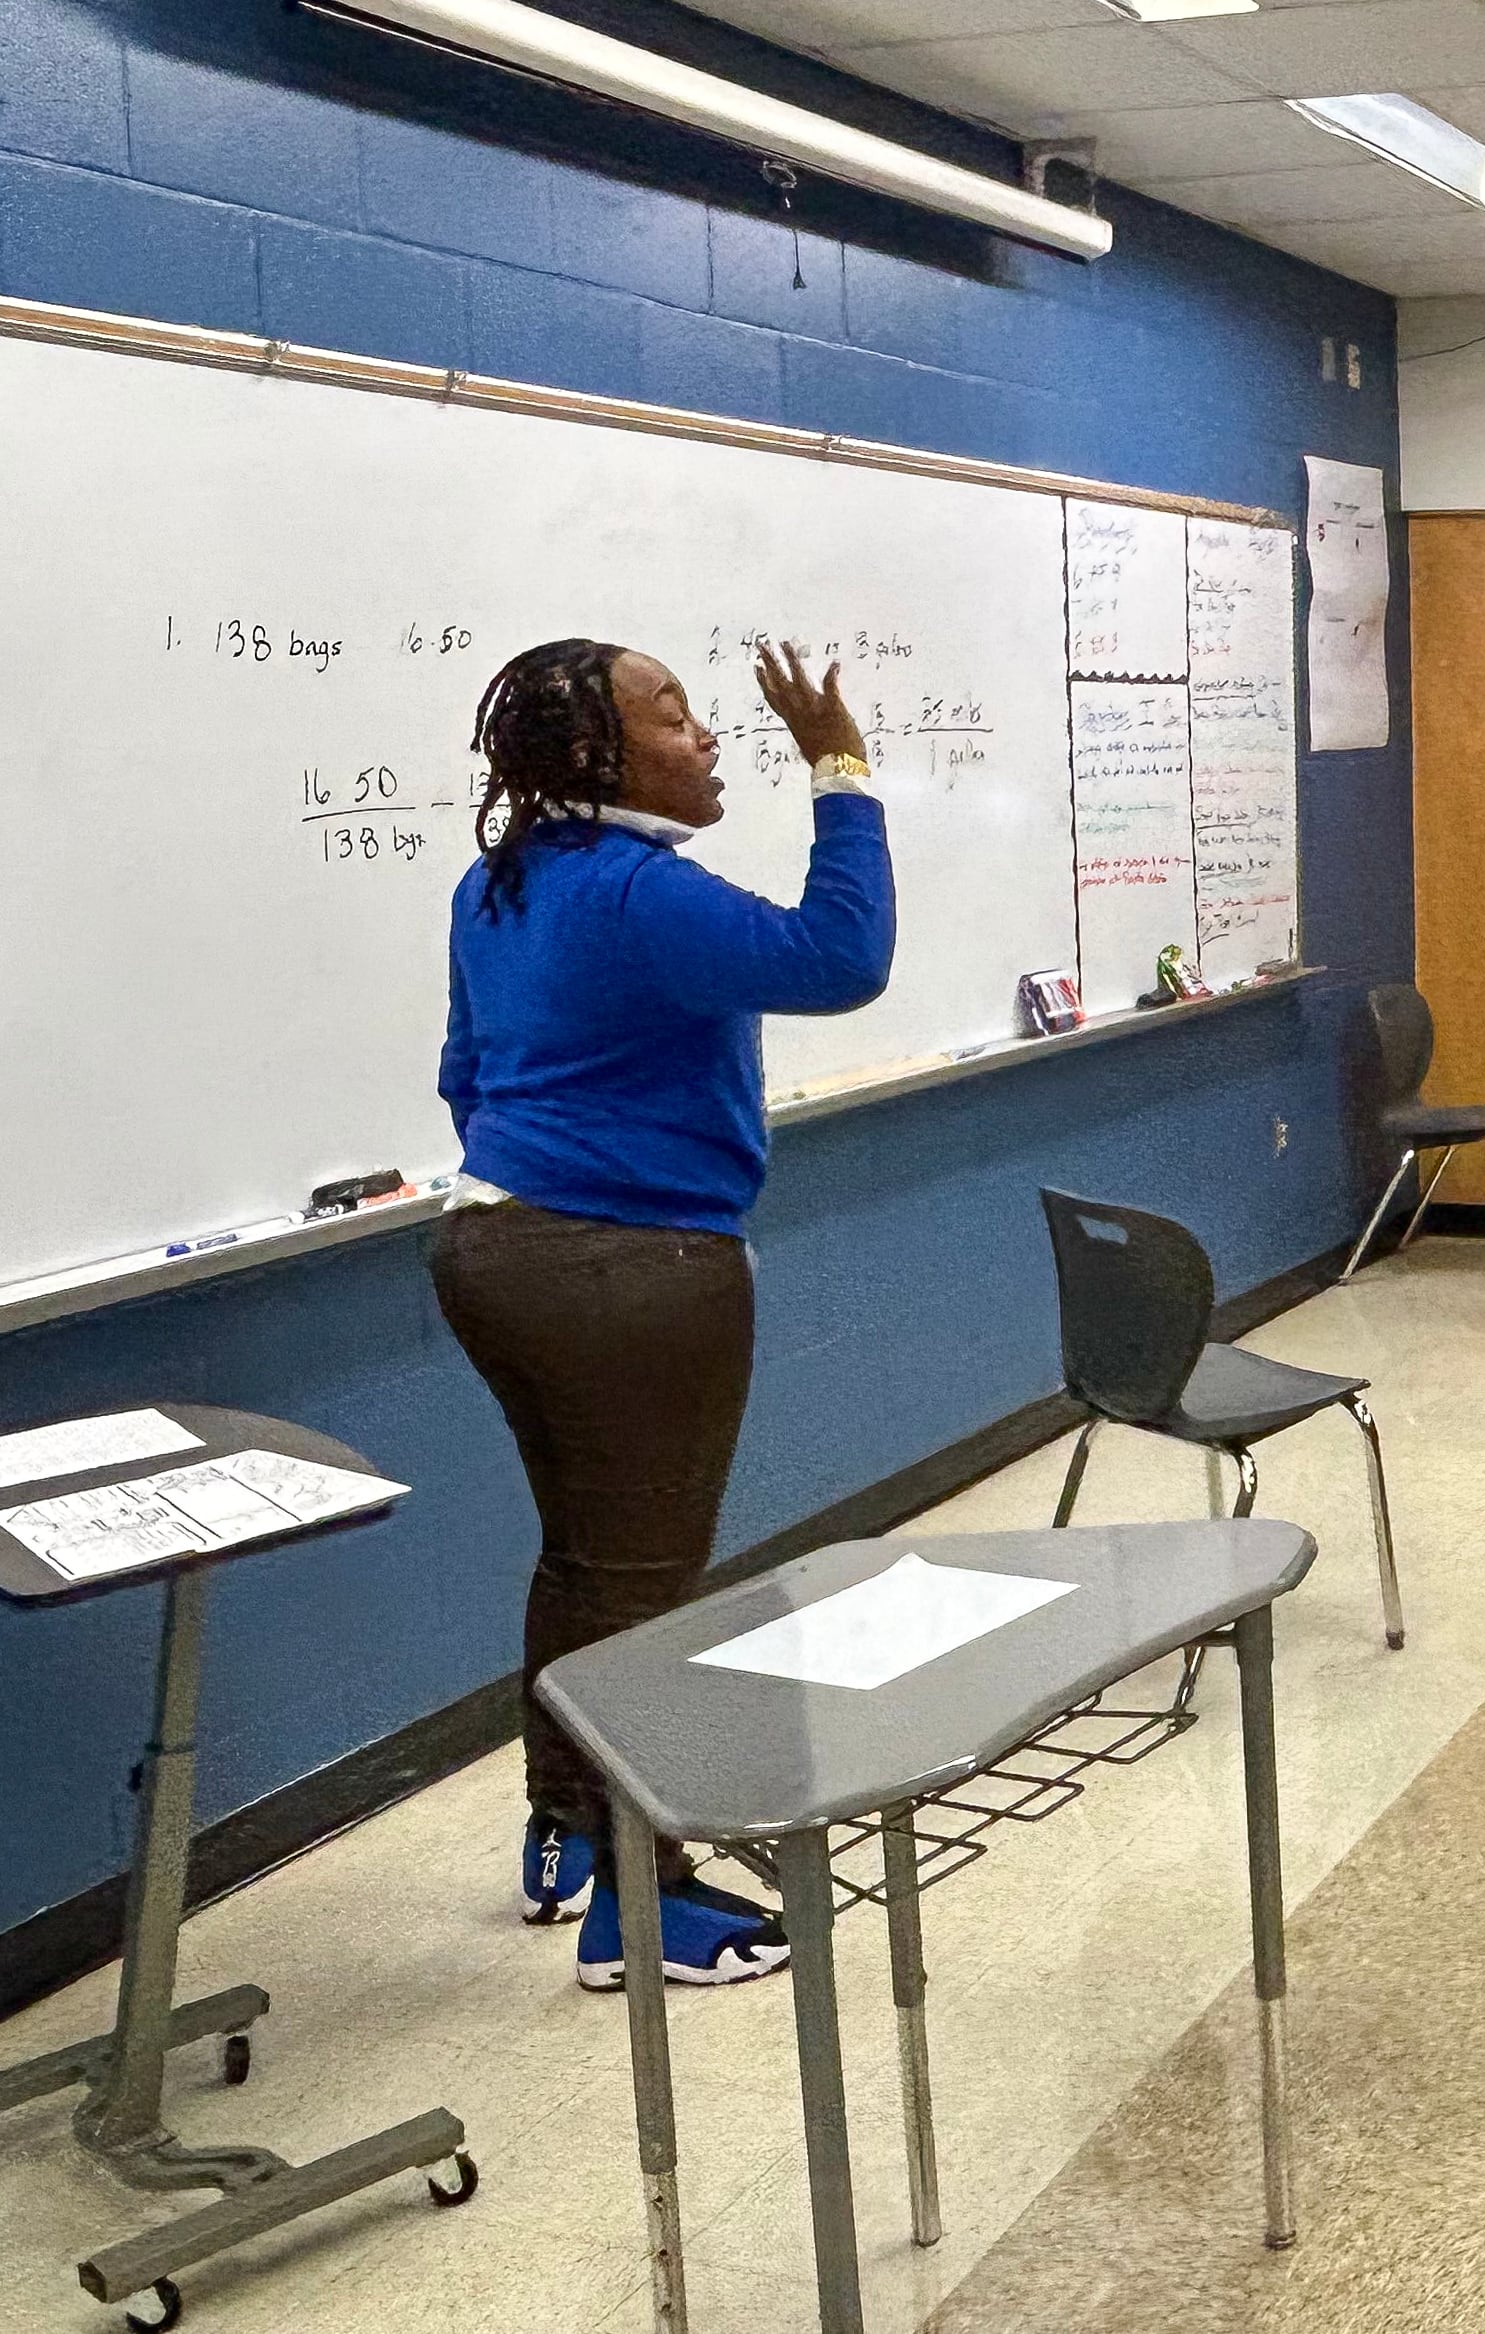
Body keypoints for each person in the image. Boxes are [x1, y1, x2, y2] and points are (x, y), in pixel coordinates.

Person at [433, 636, 894, 1992]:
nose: (706, 741)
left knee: (582, 1558)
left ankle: (567, 1834)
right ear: (596, 757)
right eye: (676, 719)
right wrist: (841, 770)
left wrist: (559, 1171)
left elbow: (464, 1071)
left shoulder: (497, 882)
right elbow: (837, 956)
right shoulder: (635, 892)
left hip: (491, 1246)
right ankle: (645, 1905)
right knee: (645, 1588)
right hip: (629, 1273)